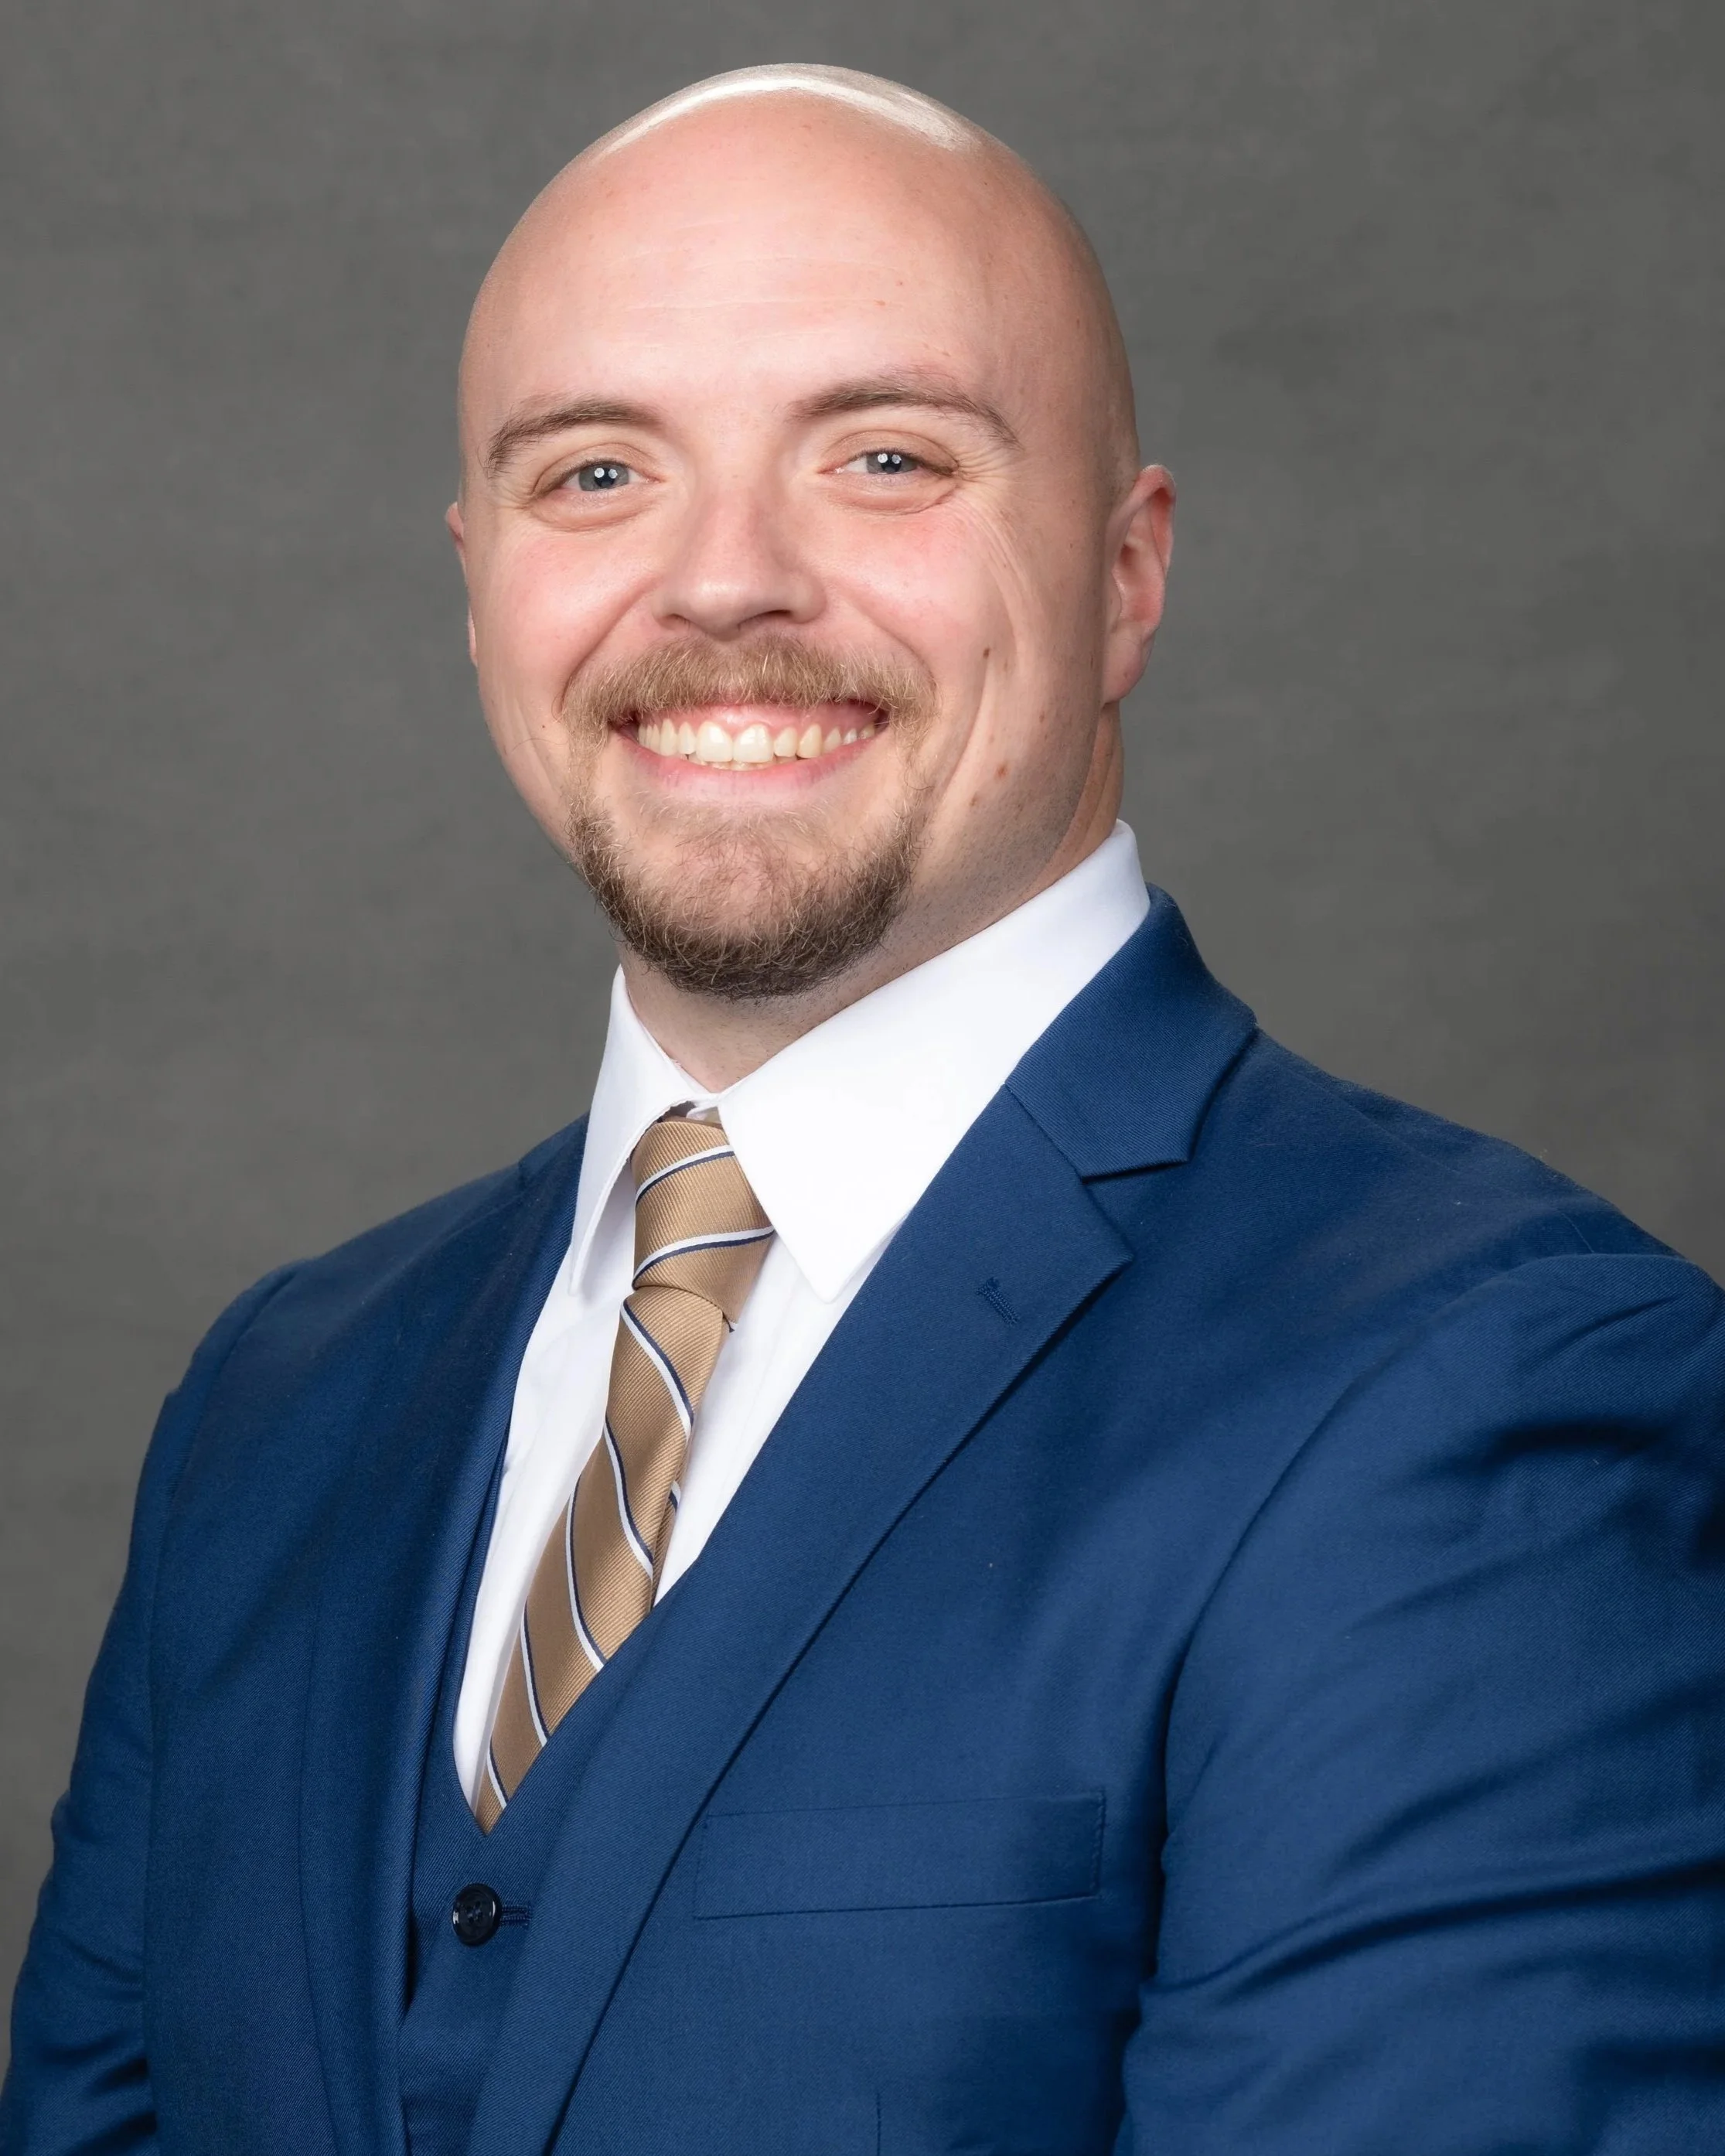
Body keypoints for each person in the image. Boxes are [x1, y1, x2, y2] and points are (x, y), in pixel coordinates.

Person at [5, 61, 1723, 2156]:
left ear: (1124, 573)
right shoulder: (277, 1409)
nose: (722, 582)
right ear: (478, 588)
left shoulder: (1486, 1392)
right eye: (596, 474)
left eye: (884, 455)